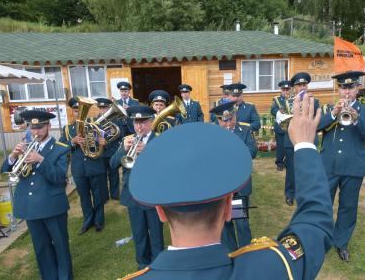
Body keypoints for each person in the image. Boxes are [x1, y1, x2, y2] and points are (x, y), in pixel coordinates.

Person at [119, 94, 333, 279]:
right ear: (228, 206)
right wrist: (305, 144)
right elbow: (315, 223)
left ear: (160, 212)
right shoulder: (274, 266)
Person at [1, 110, 73, 280]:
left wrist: (40, 160)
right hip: (31, 206)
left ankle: (64, 277)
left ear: (49, 126)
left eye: (40, 127)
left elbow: (59, 177)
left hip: (52, 205)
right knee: (41, 246)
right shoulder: (25, 146)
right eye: (32, 128)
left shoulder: (60, 149)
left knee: (60, 245)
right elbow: (4, 172)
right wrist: (13, 155)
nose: (35, 132)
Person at [318, 71, 365, 262]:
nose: (347, 91)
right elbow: (315, 127)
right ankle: (321, 239)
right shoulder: (329, 108)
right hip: (329, 165)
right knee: (323, 204)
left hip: (353, 166)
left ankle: (341, 242)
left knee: (348, 206)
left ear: (357, 88)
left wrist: (357, 119)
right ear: (339, 89)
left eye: (350, 87)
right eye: (343, 87)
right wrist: (334, 114)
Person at [110, 105, 164, 269]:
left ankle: (158, 264)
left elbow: (166, 166)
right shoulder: (127, 139)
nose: (139, 126)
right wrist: (123, 150)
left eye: (143, 122)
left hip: (153, 195)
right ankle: (142, 264)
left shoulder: (160, 139)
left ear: (151, 121)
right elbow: (112, 164)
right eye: (136, 122)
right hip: (133, 194)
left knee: (155, 234)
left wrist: (148, 151)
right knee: (139, 233)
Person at [210, 101, 257, 251]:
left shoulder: (244, 130)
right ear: (218, 120)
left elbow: (252, 151)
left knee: (241, 222)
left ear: (235, 115)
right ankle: (230, 253)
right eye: (224, 121)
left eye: (231, 118)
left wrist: (234, 148)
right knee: (225, 223)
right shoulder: (214, 134)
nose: (229, 123)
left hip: (239, 187)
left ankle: (246, 253)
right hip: (221, 187)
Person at [60, 97, 106, 234]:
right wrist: (72, 141)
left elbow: (105, 136)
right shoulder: (67, 129)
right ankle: (88, 221)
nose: (78, 113)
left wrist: (104, 141)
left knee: (98, 196)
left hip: (95, 165)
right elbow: (61, 146)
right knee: (84, 197)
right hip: (79, 169)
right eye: (75, 110)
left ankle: (99, 221)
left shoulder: (94, 123)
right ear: (72, 111)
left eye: (80, 110)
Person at [282, 72, 320, 206]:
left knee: (307, 168)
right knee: (292, 169)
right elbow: (283, 121)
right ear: (294, 88)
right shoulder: (288, 102)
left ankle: (304, 194)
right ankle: (289, 193)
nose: (302, 87)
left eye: (304, 84)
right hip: (292, 140)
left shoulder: (314, 101)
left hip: (309, 139)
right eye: (299, 85)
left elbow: (317, 120)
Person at [95, 97, 122, 201]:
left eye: (105, 108)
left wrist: (111, 136)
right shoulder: (95, 121)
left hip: (112, 152)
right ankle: (104, 196)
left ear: (109, 107)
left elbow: (121, 135)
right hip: (101, 152)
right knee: (102, 175)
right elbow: (92, 135)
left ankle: (115, 195)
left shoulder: (115, 120)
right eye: (101, 108)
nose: (103, 110)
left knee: (114, 174)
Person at [270, 80, 291, 171]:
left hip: (291, 127)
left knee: (290, 146)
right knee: (281, 147)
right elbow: (273, 110)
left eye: (287, 90)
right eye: (284, 90)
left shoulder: (294, 99)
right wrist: (279, 112)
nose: (286, 92)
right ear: (281, 90)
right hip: (280, 127)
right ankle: (279, 163)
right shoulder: (277, 100)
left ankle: (288, 161)